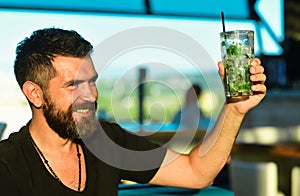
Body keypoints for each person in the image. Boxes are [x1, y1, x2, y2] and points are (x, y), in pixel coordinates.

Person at [0, 27, 267, 195]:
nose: (91, 95)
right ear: (35, 93)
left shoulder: (105, 140)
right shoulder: (8, 166)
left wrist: (235, 109)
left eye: (92, 81)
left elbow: (197, 173)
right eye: (74, 85)